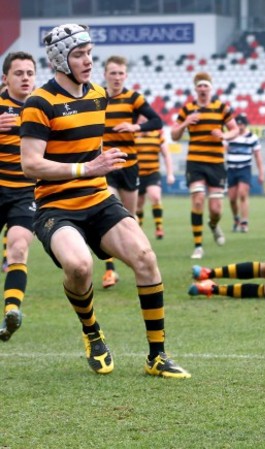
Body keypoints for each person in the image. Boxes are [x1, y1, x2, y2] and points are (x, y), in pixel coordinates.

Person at [20, 23, 190, 378]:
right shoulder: (40, 103)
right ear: (60, 59)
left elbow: (88, 147)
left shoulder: (98, 94)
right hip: (55, 206)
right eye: (79, 54)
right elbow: (30, 165)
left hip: (97, 198)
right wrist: (88, 168)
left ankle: (156, 356)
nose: (88, 60)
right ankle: (92, 332)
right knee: (80, 267)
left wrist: (100, 162)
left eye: (89, 53)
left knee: (145, 257)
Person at [101, 54, 163, 288]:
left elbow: (157, 121)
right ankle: (109, 270)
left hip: (129, 165)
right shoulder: (97, 98)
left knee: (129, 217)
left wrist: (135, 126)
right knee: (108, 213)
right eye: (112, 73)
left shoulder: (134, 98)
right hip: (105, 166)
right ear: (105, 75)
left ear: (125, 76)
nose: (117, 77)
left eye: (120, 73)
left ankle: (140, 257)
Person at [171, 71, 239, 259]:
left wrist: (224, 135)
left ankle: (213, 224)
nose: (202, 89)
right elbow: (174, 135)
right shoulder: (188, 109)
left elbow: (235, 130)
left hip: (216, 163)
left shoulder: (221, 108)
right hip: (195, 162)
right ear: (195, 89)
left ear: (211, 88)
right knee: (198, 199)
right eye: (199, 86)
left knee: (216, 209)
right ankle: (198, 246)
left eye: (205, 86)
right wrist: (185, 123)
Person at [0, 51, 37, 342]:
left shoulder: (43, 108)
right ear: (5, 78)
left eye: (29, 73)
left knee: (18, 247)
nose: (25, 78)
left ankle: (11, 311)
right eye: (19, 73)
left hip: (25, 192)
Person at [134, 115, 175, 240]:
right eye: (141, 120)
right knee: (138, 205)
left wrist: (170, 173)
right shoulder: (133, 135)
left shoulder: (157, 135)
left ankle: (159, 227)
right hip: (136, 174)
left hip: (152, 172)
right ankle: (138, 231)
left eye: (145, 120)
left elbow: (166, 155)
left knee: (155, 196)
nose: (144, 123)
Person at [224, 114, 264, 233]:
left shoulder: (252, 137)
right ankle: (236, 219)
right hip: (231, 169)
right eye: (238, 124)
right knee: (232, 198)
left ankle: (244, 222)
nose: (240, 126)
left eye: (242, 124)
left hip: (244, 169)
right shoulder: (230, 137)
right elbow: (223, 152)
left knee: (242, 194)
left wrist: (261, 173)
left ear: (246, 125)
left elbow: (257, 156)